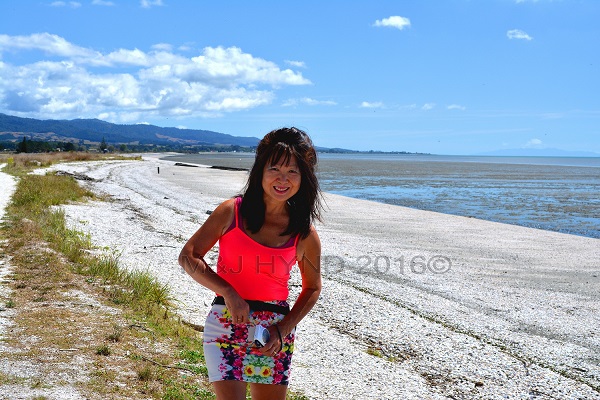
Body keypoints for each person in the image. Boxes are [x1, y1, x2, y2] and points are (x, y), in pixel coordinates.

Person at [178, 127, 323, 400]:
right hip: (225, 320)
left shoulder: (304, 232)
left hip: (273, 331)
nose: (283, 179)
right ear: (260, 172)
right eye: (275, 169)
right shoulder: (231, 212)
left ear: (304, 178)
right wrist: (229, 292)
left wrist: (282, 329)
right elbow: (189, 256)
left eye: (293, 171)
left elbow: (313, 288)